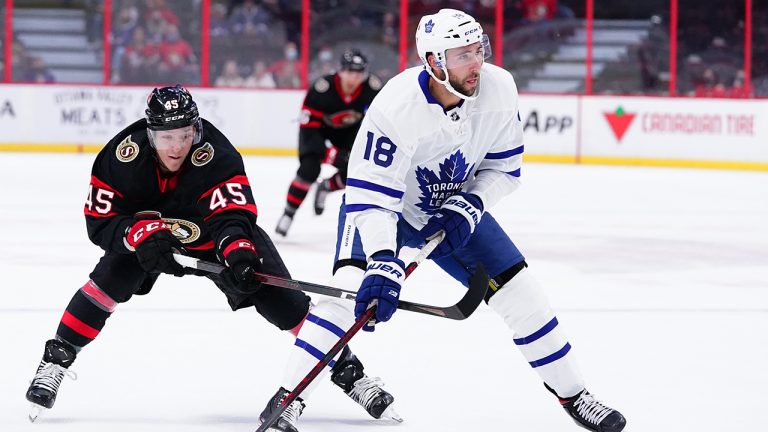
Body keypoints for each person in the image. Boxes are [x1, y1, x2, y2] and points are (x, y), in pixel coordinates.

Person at [264, 9, 627, 432]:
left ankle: (575, 394)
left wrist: (472, 203)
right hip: (385, 210)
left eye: (479, 50)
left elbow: (505, 169)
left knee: (523, 295)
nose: (477, 63)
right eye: (462, 55)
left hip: (453, 207)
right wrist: (384, 258)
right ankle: (287, 399)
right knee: (345, 297)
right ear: (434, 62)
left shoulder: (500, 88)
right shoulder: (396, 107)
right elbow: (368, 198)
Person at [24, 85, 399, 429]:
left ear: (196, 130)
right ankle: (55, 360)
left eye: (184, 135)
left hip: (211, 239)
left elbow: (232, 217)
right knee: (106, 283)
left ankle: (351, 374)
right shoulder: (121, 157)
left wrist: (238, 256)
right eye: (167, 137)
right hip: (148, 240)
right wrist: (135, 235)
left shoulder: (216, 154)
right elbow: (100, 221)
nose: (176, 147)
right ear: (150, 132)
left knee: (290, 308)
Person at [275, 48, 382, 237]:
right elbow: (308, 128)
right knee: (309, 170)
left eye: (359, 73)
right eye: (350, 72)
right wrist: (329, 154)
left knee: (358, 169)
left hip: (349, 132)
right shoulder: (322, 89)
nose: (354, 78)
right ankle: (288, 214)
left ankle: (326, 186)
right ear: (340, 71)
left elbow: (376, 123)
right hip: (316, 131)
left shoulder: (372, 89)